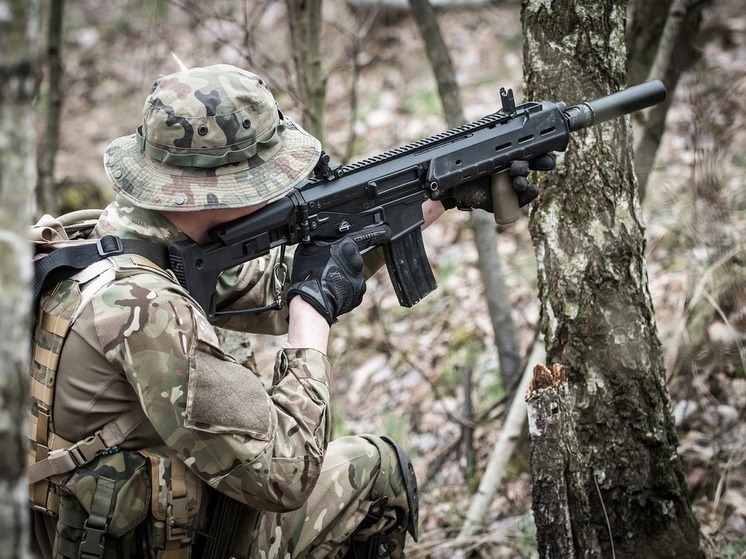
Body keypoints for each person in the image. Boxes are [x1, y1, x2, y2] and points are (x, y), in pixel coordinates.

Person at [27, 64, 549, 559]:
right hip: (151, 540)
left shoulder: (102, 246)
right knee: (375, 469)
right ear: (214, 190)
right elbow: (287, 473)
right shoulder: (147, 310)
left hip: (80, 530)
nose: (279, 186)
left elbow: (270, 286)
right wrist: (312, 314)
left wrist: (435, 194)